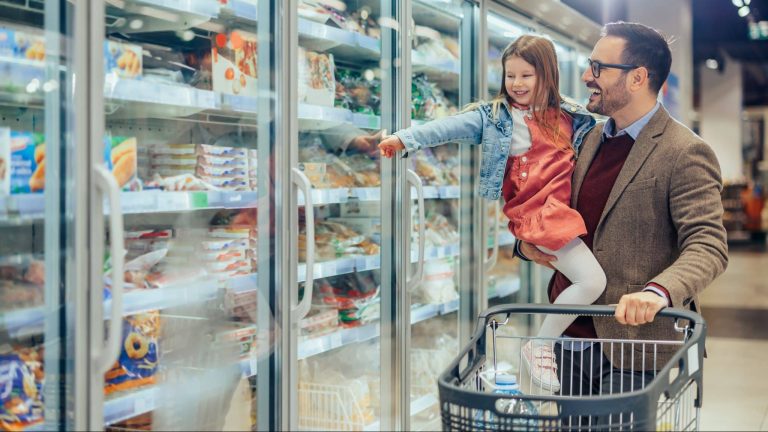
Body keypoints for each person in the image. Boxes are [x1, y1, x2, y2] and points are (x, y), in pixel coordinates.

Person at [517, 21, 728, 407]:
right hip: (568, 342)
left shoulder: (685, 152)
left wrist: (659, 291)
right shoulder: (586, 139)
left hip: (633, 347)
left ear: (638, 78)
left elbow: (708, 245)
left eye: (598, 68)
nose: (585, 76)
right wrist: (524, 244)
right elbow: (550, 203)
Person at [379, 34, 600, 392]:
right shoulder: (498, 118)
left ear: (548, 73)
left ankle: (544, 344)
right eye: (510, 75)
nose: (516, 84)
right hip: (539, 214)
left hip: (562, 212)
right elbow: (448, 127)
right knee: (592, 281)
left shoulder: (572, 116)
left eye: (526, 75)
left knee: (587, 279)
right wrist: (405, 139)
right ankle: (541, 346)